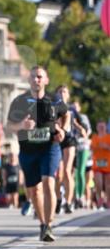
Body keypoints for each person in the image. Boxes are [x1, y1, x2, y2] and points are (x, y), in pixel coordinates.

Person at [6, 65, 68, 242]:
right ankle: (42, 223)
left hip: (49, 148)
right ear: (28, 80)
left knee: (48, 182)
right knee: (34, 191)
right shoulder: (19, 102)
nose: (36, 80)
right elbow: (9, 126)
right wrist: (21, 126)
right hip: (27, 151)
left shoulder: (55, 100)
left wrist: (62, 129)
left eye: (40, 77)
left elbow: (66, 114)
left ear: (46, 80)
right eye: (33, 77)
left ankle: (48, 225)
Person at [53, 84, 75, 214]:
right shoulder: (54, 108)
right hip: (57, 140)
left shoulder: (72, 109)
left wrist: (82, 129)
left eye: (64, 92)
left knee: (67, 171)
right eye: (60, 91)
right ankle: (59, 199)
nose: (62, 94)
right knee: (58, 175)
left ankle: (69, 201)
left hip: (69, 140)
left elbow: (78, 122)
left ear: (68, 95)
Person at [71, 100, 91, 208]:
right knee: (73, 173)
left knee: (81, 171)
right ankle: (74, 197)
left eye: (76, 107)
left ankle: (81, 195)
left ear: (79, 108)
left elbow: (88, 131)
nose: (74, 109)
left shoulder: (83, 117)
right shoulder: (69, 116)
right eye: (72, 107)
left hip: (82, 146)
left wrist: (81, 133)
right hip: (72, 147)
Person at [90, 119, 110, 209]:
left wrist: (107, 147)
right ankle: (99, 200)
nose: (101, 128)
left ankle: (108, 200)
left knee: (108, 185)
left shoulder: (109, 137)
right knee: (98, 183)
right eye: (100, 127)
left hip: (108, 164)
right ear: (97, 128)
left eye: (103, 126)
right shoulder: (94, 137)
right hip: (98, 164)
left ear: (106, 127)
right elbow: (91, 149)